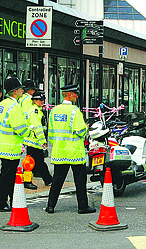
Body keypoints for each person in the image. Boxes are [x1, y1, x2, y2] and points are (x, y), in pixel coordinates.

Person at [46, 84, 95, 214]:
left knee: (57, 180)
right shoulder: (74, 111)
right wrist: (86, 127)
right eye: (75, 94)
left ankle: (50, 206)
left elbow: (50, 133)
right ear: (69, 95)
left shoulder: (54, 110)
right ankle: (82, 207)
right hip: (74, 152)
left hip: (59, 151)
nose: (77, 96)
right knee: (80, 181)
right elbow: (79, 131)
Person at [0, 77, 32, 212]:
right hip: (10, 147)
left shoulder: (3, 103)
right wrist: (29, 131)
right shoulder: (14, 107)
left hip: (2, 145)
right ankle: (1, 202)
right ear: (15, 91)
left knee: (7, 174)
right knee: (7, 176)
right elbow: (20, 129)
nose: (23, 90)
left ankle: (11, 199)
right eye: (21, 88)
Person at [22, 91, 53, 189]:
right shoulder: (35, 111)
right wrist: (43, 140)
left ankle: (45, 179)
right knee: (35, 162)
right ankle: (47, 180)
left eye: (42, 100)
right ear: (34, 100)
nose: (41, 101)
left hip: (34, 141)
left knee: (34, 162)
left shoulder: (36, 110)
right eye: (39, 100)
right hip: (34, 141)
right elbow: (37, 127)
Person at [20, 79, 39, 189]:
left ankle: (34, 172)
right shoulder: (28, 100)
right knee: (30, 157)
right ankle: (27, 178)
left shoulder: (21, 98)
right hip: (29, 129)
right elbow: (30, 115)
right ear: (30, 90)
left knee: (32, 155)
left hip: (24, 127)